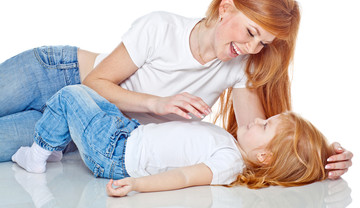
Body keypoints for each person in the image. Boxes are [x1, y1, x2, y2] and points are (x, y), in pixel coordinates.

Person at [0, 0, 352, 177]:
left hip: (78, 127)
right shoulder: (160, 28)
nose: (251, 48)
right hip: (57, 74)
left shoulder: (240, 68)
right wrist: (158, 104)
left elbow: (262, 141)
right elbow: (93, 83)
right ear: (226, 7)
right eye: (249, 32)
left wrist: (319, 155)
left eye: (262, 42)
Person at [11, 85, 336, 198]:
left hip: (115, 155)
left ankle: (38, 154)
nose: (255, 119)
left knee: (71, 96)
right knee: (94, 98)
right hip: (128, 133)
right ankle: (53, 145)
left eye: (263, 125)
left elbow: (182, 177)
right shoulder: (232, 147)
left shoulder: (228, 163)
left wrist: (135, 184)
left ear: (264, 157)